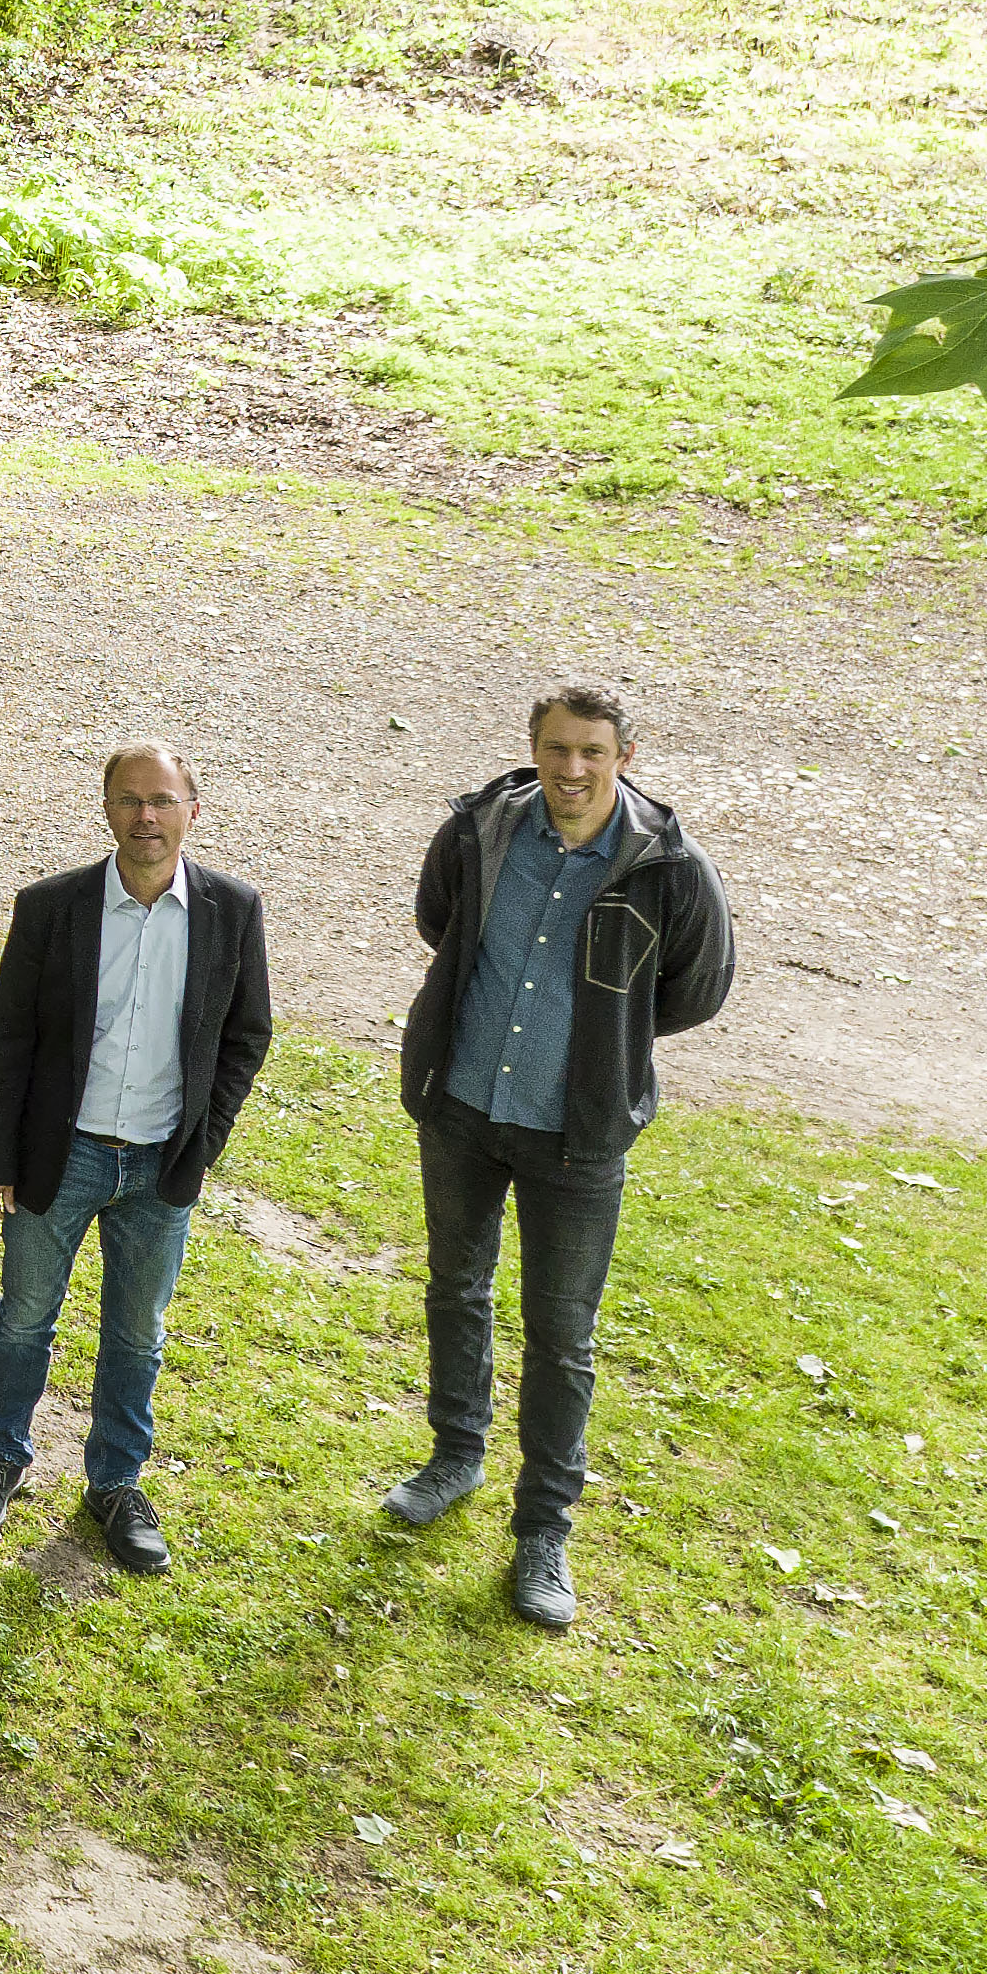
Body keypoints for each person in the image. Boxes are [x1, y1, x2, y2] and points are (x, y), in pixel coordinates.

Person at [383, 685, 734, 1632]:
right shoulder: (479, 833)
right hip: (462, 1106)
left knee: (562, 1333)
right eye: (556, 749)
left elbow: (696, 989)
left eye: (591, 752)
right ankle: (456, 1456)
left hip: (575, 1134)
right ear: (533, 748)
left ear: (625, 757)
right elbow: (439, 922)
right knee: (456, 1286)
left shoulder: (670, 868)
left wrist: (604, 1046)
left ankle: (543, 1528)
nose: (571, 770)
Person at [0, 745, 275, 1575]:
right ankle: (1, 1457)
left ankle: (117, 1483)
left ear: (192, 811)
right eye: (129, 800)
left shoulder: (232, 910)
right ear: (106, 809)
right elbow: (9, 1037)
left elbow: (247, 1035)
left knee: (137, 1334)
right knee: (25, 1316)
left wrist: (204, 1142)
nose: (146, 817)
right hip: (61, 1155)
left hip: (162, 1165)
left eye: (162, 800)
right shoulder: (52, 906)